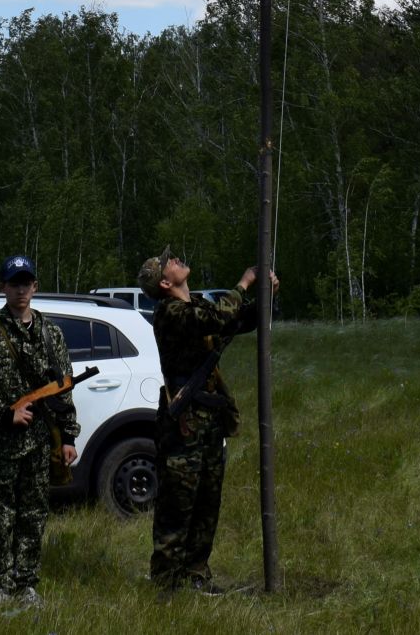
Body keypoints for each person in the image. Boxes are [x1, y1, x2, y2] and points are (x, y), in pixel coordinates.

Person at [138, 246, 277, 593]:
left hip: (209, 418)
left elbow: (234, 322)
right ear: (165, 284)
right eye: (168, 263)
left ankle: (197, 574)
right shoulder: (170, 312)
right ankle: (167, 583)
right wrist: (245, 283)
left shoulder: (194, 303)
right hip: (184, 421)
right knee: (177, 504)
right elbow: (217, 319)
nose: (176, 260)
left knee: (207, 500)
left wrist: (266, 297)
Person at [0, 255, 80, 610]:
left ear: (35, 287)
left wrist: (68, 436)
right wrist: (4, 413)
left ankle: (26, 583)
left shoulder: (50, 332)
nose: (21, 289)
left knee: (34, 513)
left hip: (41, 441)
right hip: (1, 442)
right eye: (14, 283)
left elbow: (62, 388)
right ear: (3, 288)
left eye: (27, 283)